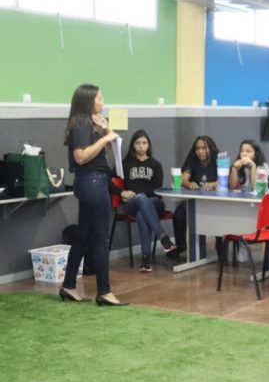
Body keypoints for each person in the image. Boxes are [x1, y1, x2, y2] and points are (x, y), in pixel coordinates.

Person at [60, 83, 127, 306]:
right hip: (92, 182)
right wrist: (104, 138)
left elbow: (112, 141)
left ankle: (69, 286)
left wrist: (106, 130)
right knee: (100, 238)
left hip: (92, 182)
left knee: (84, 236)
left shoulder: (89, 123)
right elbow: (80, 157)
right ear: (88, 100)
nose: (102, 102)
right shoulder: (81, 123)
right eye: (99, 98)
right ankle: (104, 291)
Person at [114, 129, 177, 272]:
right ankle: (163, 237)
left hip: (154, 203)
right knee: (141, 200)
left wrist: (138, 194)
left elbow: (156, 189)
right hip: (131, 204)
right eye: (138, 143)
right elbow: (109, 181)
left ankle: (146, 260)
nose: (141, 146)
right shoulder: (125, 164)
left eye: (144, 143)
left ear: (148, 145)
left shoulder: (155, 165)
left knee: (142, 211)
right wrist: (121, 192)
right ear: (133, 145)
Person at [171, 135, 219, 255]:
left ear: (210, 148)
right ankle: (181, 246)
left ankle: (220, 245)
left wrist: (213, 184)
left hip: (215, 202)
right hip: (194, 201)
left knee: (221, 216)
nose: (200, 151)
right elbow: (183, 179)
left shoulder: (218, 161)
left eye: (204, 148)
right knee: (179, 214)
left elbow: (225, 181)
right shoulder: (192, 162)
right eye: (197, 148)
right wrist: (189, 184)